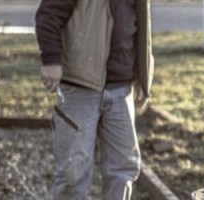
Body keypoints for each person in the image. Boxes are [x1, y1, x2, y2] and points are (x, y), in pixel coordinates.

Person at [35, 0, 154, 199]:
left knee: (123, 170)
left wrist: (142, 74)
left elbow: (141, 24)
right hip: (79, 85)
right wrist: (51, 60)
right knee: (73, 173)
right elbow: (48, 15)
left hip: (121, 88)